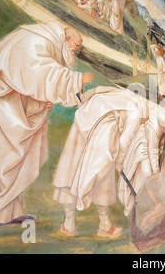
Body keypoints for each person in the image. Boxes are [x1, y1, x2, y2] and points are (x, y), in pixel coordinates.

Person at [0, 20, 94, 232]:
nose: (77, 50)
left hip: (12, 107)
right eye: (76, 45)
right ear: (66, 38)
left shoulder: (46, 42)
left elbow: (27, 82)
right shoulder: (36, 39)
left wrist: (39, 102)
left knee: (11, 166)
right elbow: (35, 72)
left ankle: (5, 213)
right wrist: (75, 80)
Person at [52, 86, 148, 239]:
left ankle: (77, 223)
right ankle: (94, 224)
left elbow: (98, 89)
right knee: (100, 176)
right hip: (102, 133)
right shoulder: (138, 114)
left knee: (72, 170)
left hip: (84, 122)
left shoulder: (127, 94)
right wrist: (119, 162)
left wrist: (83, 98)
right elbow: (124, 141)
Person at [117, 108, 165, 217]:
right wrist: (156, 173)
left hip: (152, 145)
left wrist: (159, 169)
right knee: (146, 173)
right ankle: (131, 204)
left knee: (150, 176)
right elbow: (153, 150)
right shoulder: (154, 129)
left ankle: (151, 205)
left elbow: (160, 146)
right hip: (142, 142)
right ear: (161, 126)